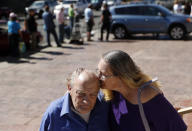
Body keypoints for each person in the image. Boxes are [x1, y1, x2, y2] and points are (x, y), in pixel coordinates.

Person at [97, 50, 187, 131]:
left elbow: (176, 127)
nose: (98, 77)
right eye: (98, 71)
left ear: (121, 76)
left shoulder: (149, 97)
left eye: (104, 74)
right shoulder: (112, 94)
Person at [40, 68, 110, 131]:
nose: (86, 101)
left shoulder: (105, 107)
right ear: (69, 88)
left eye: (93, 95)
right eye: (81, 94)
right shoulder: (54, 113)